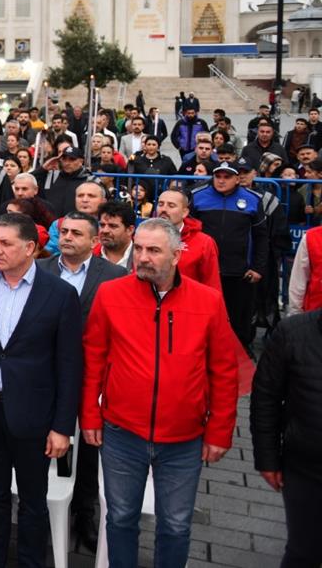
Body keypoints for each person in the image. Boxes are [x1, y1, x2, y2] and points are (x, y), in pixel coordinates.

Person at [81, 219, 239, 568]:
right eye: (138, 248)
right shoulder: (111, 294)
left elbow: (224, 371)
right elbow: (94, 358)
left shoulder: (208, 302)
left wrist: (220, 431)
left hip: (184, 438)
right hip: (122, 432)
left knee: (176, 525)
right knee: (120, 518)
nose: (142, 257)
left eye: (153, 250)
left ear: (177, 255)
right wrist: (90, 414)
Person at [0, 212, 82, 568]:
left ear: (30, 248)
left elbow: (69, 366)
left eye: (6, 243)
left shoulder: (59, 294)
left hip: (33, 413)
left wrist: (61, 427)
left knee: (33, 500)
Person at [36, 210, 126, 548]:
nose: (68, 237)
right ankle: (43, 510)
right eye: (64, 231)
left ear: (94, 240)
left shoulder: (115, 275)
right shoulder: (41, 268)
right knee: (47, 441)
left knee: (89, 446)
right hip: (44, 373)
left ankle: (84, 513)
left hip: (92, 375)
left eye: (77, 233)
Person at [250, 307, 322, 568]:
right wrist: (267, 458)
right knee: (305, 551)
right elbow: (265, 398)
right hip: (307, 469)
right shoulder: (293, 333)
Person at [191, 161, 268, 351]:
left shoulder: (252, 199)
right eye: (218, 176)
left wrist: (258, 267)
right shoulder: (197, 197)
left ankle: (241, 348)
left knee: (239, 314)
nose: (221, 181)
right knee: (204, 312)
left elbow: (262, 237)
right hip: (206, 269)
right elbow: (189, 233)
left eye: (227, 177)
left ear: (237, 179)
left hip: (240, 270)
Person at [153, 189, 222, 291]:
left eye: (171, 206)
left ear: (184, 212)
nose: (164, 209)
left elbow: (212, 284)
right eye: (160, 204)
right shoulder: (144, 237)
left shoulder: (204, 243)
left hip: (188, 303)